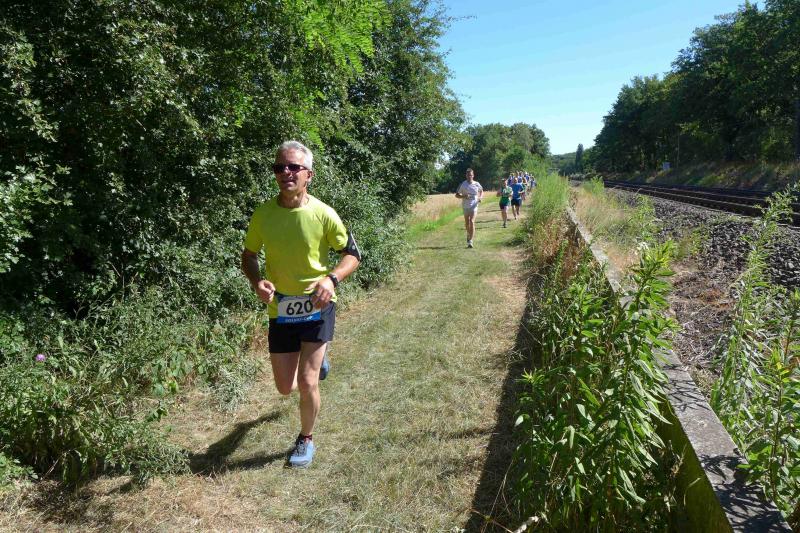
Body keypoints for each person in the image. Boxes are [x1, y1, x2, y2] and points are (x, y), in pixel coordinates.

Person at [241, 140, 361, 468]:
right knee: (285, 387)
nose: (286, 173)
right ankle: (318, 361)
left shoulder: (323, 213)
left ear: (309, 174)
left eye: (294, 167)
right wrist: (256, 281)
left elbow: (352, 254)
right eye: (280, 167)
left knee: (307, 382)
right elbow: (249, 255)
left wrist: (331, 279)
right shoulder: (263, 214)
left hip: (318, 305)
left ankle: (306, 439)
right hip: (281, 309)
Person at [455, 168, 483, 248]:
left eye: (470, 175)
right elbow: (457, 195)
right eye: (468, 175)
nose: (469, 176)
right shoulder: (462, 184)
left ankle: (471, 241)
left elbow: (481, 190)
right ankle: (468, 234)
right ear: (466, 175)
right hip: (465, 206)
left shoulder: (477, 184)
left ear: (473, 175)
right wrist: (464, 196)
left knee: (472, 221)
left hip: (474, 205)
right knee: (467, 223)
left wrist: (480, 197)